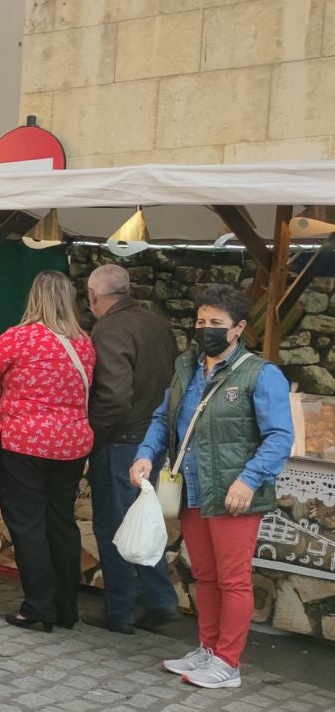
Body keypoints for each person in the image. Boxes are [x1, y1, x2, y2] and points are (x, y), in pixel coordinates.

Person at [131, 284, 292, 689]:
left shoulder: (261, 373)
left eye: (215, 323)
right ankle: (207, 648)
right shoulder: (186, 367)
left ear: (237, 328)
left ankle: (228, 663)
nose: (205, 329)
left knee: (233, 578)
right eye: (201, 321)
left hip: (234, 493)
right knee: (203, 574)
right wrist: (146, 453)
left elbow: (278, 437)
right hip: (192, 488)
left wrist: (249, 479)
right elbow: (162, 417)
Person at [0, 270, 96, 633]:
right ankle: (66, 608)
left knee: (28, 525)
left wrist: (1, 388)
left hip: (25, 442)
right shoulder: (84, 342)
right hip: (73, 444)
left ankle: (38, 606)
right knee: (61, 523)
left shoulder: (19, 338)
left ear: (33, 298)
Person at [83, 264, 179, 635]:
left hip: (122, 439)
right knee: (143, 522)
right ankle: (160, 600)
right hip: (153, 438)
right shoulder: (158, 323)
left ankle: (120, 610)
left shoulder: (109, 328)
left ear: (93, 297)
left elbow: (113, 395)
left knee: (115, 527)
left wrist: (94, 433)